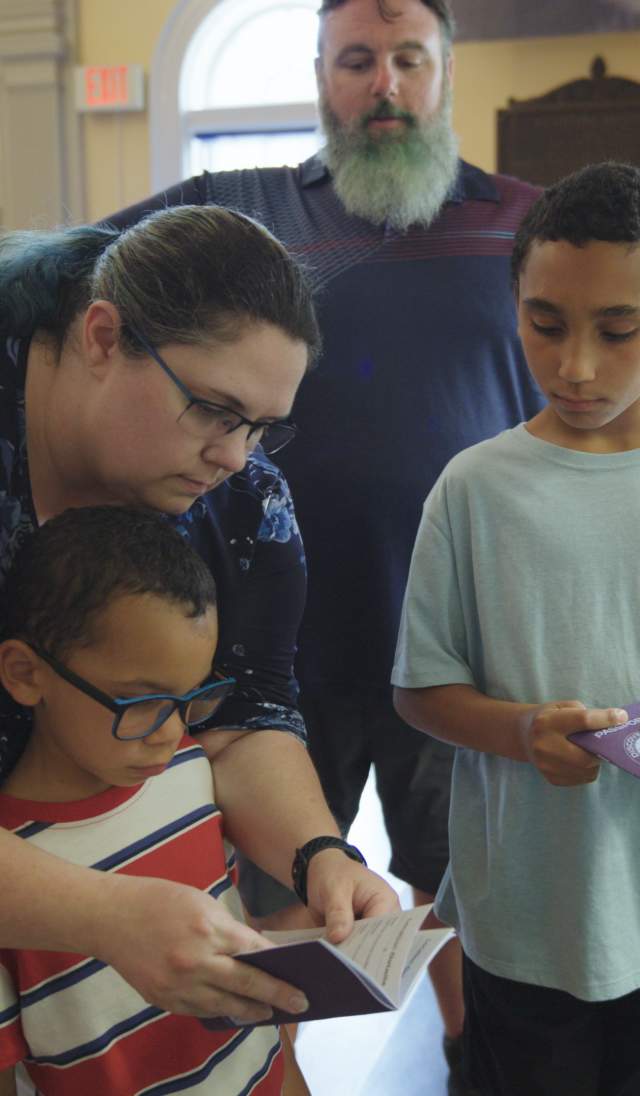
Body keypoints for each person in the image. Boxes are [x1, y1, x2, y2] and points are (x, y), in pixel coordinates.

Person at [107, 2, 543, 1088]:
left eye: (407, 59)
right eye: (357, 60)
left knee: (467, 901)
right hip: (273, 657)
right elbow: (77, 272)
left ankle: (468, 1061)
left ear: (445, 68)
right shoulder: (240, 213)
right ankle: (270, 1071)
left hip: (462, 651)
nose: (383, 85)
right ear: (319, 75)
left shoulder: (529, 228)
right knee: (272, 911)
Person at [0, 204, 398, 1032]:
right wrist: (103, 914)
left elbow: (247, 710)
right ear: (104, 337)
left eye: (261, 426)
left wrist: (318, 853)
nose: (234, 456)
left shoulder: (245, 504)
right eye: (216, 411)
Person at [392, 160, 640, 1096]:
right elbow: (418, 687)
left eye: (620, 330)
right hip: (529, 918)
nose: (578, 366)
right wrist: (519, 733)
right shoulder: (475, 487)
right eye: (546, 325)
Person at [0, 504, 314, 1096]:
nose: (172, 733)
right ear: (24, 673)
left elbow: (257, 1036)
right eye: (139, 701)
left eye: (193, 696)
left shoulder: (189, 773)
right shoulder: (17, 879)